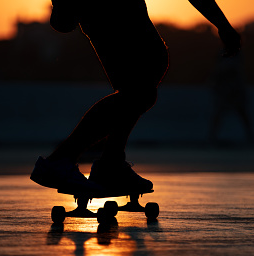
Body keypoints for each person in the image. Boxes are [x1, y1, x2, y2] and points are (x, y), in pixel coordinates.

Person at [31, 0, 241, 193]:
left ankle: (106, 163)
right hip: (106, 9)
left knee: (139, 89)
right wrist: (222, 24)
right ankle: (71, 161)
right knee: (142, 84)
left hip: (103, 11)